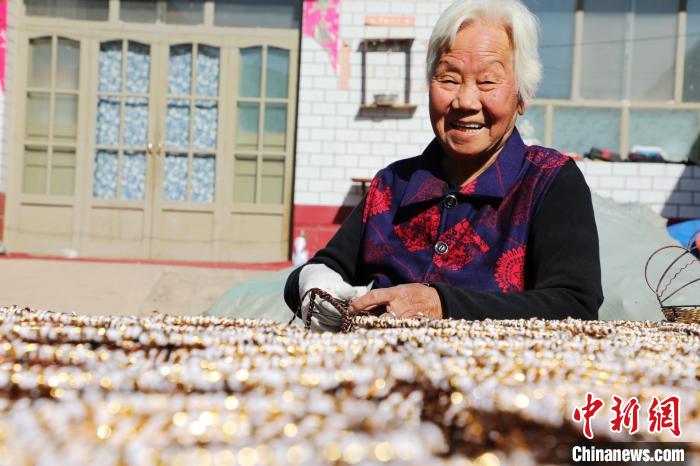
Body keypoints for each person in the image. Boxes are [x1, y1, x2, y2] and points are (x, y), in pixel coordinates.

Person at [285, 0, 603, 330]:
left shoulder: (549, 183)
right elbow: (321, 269)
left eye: (488, 82)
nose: (465, 101)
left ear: (521, 96)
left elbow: (575, 303)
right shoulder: (394, 185)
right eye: (448, 79)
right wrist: (315, 285)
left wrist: (442, 304)